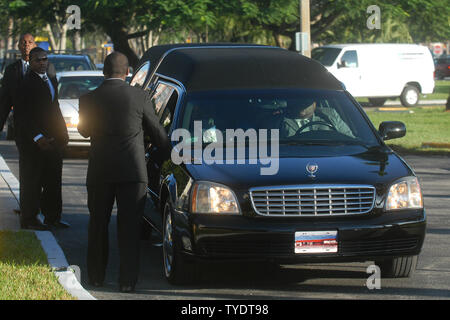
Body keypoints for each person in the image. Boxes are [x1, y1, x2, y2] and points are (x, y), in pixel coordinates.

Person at [78, 52, 170, 293]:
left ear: (103, 71)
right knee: (129, 228)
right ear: (128, 72)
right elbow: (158, 134)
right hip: (133, 171)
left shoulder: (88, 98)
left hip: (100, 172)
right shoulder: (140, 96)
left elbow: (84, 131)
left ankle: (96, 277)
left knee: (98, 224)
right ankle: (127, 282)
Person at [15, 47, 69, 230]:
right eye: (38, 60)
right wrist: (38, 137)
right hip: (34, 143)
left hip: (54, 140)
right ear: (30, 62)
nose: (42, 62)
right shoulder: (25, 83)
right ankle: (29, 219)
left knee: (53, 180)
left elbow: (55, 108)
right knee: (32, 181)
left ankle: (52, 217)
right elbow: (23, 116)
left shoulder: (51, 79)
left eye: (45, 59)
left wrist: (63, 134)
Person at [279, 98, 354, 138]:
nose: (301, 106)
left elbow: (349, 139)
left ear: (314, 104)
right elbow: (272, 148)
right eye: (297, 102)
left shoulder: (330, 115)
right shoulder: (279, 120)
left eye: (305, 104)